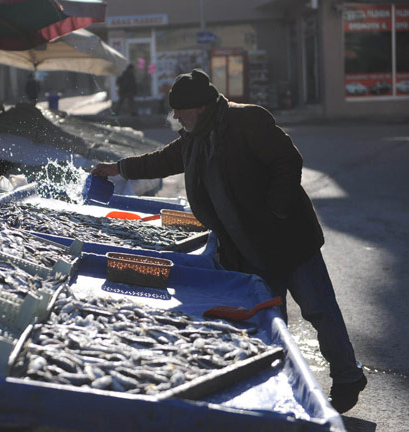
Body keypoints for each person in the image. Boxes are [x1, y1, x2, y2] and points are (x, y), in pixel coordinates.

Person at [91, 68, 366, 414]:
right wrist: (118, 168)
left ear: (200, 107)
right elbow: (161, 161)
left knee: (320, 310)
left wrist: (277, 210)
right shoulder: (193, 138)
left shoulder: (245, 120)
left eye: (180, 109)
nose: (175, 116)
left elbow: (287, 159)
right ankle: (285, 398)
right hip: (248, 250)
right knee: (272, 324)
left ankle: (346, 377)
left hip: (289, 241)